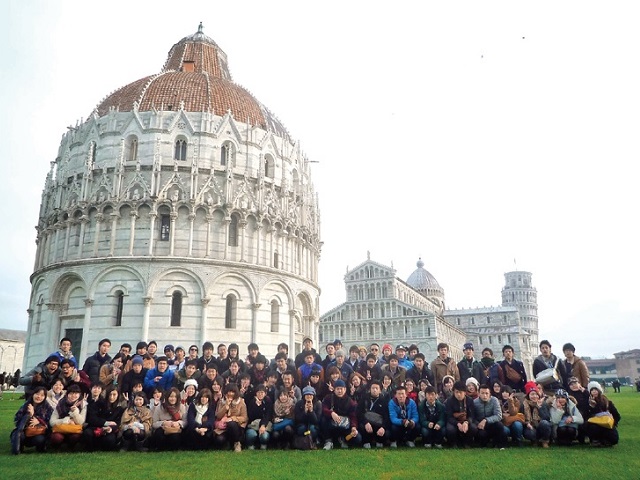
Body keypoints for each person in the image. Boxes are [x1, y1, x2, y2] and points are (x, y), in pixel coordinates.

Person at [11, 386, 53, 454]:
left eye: (42, 395)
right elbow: (17, 419)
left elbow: (50, 422)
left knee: (40, 439)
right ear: (33, 394)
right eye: (37, 394)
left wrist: (38, 420)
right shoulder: (26, 405)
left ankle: (41, 447)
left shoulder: (47, 407)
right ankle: (18, 447)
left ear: (45, 397)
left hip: (38, 433)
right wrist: (29, 415)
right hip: (25, 432)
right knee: (18, 433)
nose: (39, 396)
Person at [321, 379, 360, 449]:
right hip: (331, 425)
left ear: (345, 389)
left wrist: (354, 427)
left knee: (358, 438)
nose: (339, 391)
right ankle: (328, 441)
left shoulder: (350, 401)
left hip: (344, 426)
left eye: (341, 389)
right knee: (323, 419)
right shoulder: (329, 397)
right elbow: (323, 408)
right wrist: (331, 413)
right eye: (337, 389)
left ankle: (343, 440)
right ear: (334, 389)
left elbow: (353, 416)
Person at [49, 384, 87, 450]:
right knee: (56, 437)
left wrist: (75, 412)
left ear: (79, 394)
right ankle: (57, 447)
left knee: (75, 437)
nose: (73, 396)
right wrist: (66, 420)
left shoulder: (83, 404)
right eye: (71, 393)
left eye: (76, 393)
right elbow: (52, 422)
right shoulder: (61, 403)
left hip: (74, 429)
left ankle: (70, 447)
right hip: (61, 429)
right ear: (67, 394)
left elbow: (81, 422)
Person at [213, 383, 248, 452]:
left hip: (237, 428)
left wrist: (232, 418)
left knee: (231, 424)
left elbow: (244, 418)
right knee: (219, 439)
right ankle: (228, 443)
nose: (231, 394)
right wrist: (226, 406)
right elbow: (218, 416)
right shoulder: (221, 402)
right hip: (224, 428)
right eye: (229, 391)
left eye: (233, 392)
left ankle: (237, 443)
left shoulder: (241, 402)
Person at [585, 381, 620, 447]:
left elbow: (616, 415)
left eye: (596, 389)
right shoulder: (588, 403)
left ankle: (605, 441)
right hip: (595, 424)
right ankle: (595, 440)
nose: (594, 391)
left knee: (614, 439)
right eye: (592, 390)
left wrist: (613, 423)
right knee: (593, 428)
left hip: (607, 423)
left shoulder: (607, 402)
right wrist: (592, 406)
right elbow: (587, 415)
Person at [473, 384, 507, 449]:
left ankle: (500, 445)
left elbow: (498, 415)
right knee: (480, 434)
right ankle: (483, 444)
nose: (484, 395)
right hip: (480, 426)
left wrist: (486, 420)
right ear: (478, 393)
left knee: (499, 425)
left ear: (490, 394)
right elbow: (473, 417)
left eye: (486, 393)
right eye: (482, 393)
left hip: (491, 424)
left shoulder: (494, 400)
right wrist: (478, 424)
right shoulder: (474, 402)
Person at [358, 380, 389, 448]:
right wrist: (366, 423)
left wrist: (383, 427)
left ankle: (379, 440)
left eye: (376, 388)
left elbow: (386, 416)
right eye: (373, 388)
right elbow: (359, 412)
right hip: (367, 422)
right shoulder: (364, 398)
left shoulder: (384, 401)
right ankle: (366, 441)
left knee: (387, 433)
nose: (374, 390)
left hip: (378, 423)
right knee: (362, 426)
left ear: (380, 390)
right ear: (370, 389)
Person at [445, 381, 477, 448]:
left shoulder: (470, 400)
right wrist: (457, 423)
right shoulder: (449, 401)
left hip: (466, 420)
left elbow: (472, 415)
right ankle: (453, 443)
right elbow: (449, 416)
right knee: (450, 429)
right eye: (456, 392)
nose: (458, 394)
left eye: (460, 392)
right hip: (454, 421)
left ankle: (467, 443)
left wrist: (467, 422)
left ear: (465, 392)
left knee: (473, 428)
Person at [521, 381, 552, 448]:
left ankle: (545, 441)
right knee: (530, 433)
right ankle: (534, 440)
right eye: (532, 394)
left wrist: (539, 408)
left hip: (541, 426)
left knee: (545, 423)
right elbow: (521, 417)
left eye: (536, 394)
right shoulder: (524, 404)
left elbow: (547, 418)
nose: (534, 396)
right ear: (528, 395)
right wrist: (527, 423)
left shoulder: (543, 404)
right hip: (530, 426)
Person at [245, 384, 272, 450]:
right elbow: (251, 416)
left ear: (265, 393)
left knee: (264, 436)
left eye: (262, 392)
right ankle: (250, 444)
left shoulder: (268, 402)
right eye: (258, 392)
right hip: (253, 425)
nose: (260, 394)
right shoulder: (252, 402)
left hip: (263, 425)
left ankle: (263, 444)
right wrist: (257, 407)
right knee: (251, 435)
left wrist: (263, 425)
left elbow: (267, 415)